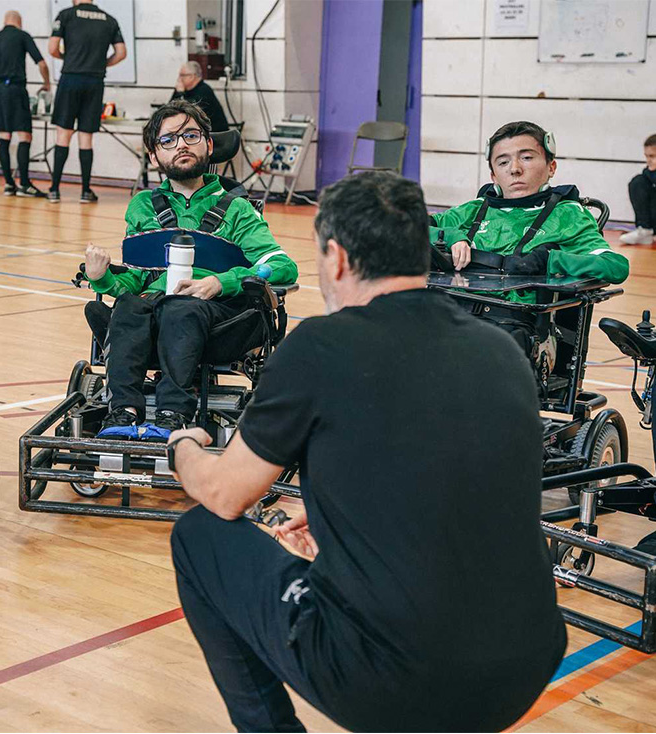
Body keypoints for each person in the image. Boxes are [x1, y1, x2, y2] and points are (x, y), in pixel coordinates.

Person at [167, 170, 567, 732]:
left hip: (393, 679)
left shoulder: (321, 346)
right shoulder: (499, 348)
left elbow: (224, 494)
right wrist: (338, 504)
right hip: (528, 661)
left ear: (335, 258)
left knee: (198, 537)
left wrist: (182, 446)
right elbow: (458, 469)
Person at [84, 99, 296, 440]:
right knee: (128, 306)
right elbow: (136, 279)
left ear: (209, 145)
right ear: (154, 156)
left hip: (214, 318)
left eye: (191, 136)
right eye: (168, 140)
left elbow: (281, 266)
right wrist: (102, 277)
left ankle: (173, 414)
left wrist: (221, 282)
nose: (181, 144)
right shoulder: (143, 206)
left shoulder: (237, 209)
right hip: (155, 311)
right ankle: (122, 412)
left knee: (180, 308)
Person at [430, 120, 629, 354]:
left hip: (515, 325)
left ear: (551, 167)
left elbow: (615, 266)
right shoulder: (472, 210)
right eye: (503, 162)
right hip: (450, 311)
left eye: (526, 158)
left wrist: (550, 261)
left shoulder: (568, 215)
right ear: (494, 175)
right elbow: (408, 227)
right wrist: (452, 236)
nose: (514, 169)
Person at [47, 0, 127, 204]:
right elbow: (121, 53)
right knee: (86, 138)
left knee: (63, 135)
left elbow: (52, 48)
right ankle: (85, 191)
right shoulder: (109, 20)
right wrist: (103, 63)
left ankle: (55, 190)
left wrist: (67, 57)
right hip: (94, 80)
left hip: (70, 78)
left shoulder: (65, 15)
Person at [0, 9, 51, 197]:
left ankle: (9, 184)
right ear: (19, 22)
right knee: (24, 136)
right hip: (17, 90)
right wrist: (46, 83)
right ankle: (25, 184)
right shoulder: (22, 36)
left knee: (4, 136)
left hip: (0, 91)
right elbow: (42, 64)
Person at [170, 61, 228, 133]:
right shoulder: (183, 89)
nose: (179, 79)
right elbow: (170, 109)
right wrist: (178, 93)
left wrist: (180, 94)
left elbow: (188, 111)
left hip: (215, 135)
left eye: (182, 75)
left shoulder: (204, 91)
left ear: (192, 76)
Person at [621, 134, 656, 245]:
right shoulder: (648, 174)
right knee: (637, 182)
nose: (648, 160)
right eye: (647, 157)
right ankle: (645, 230)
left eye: (652, 156)